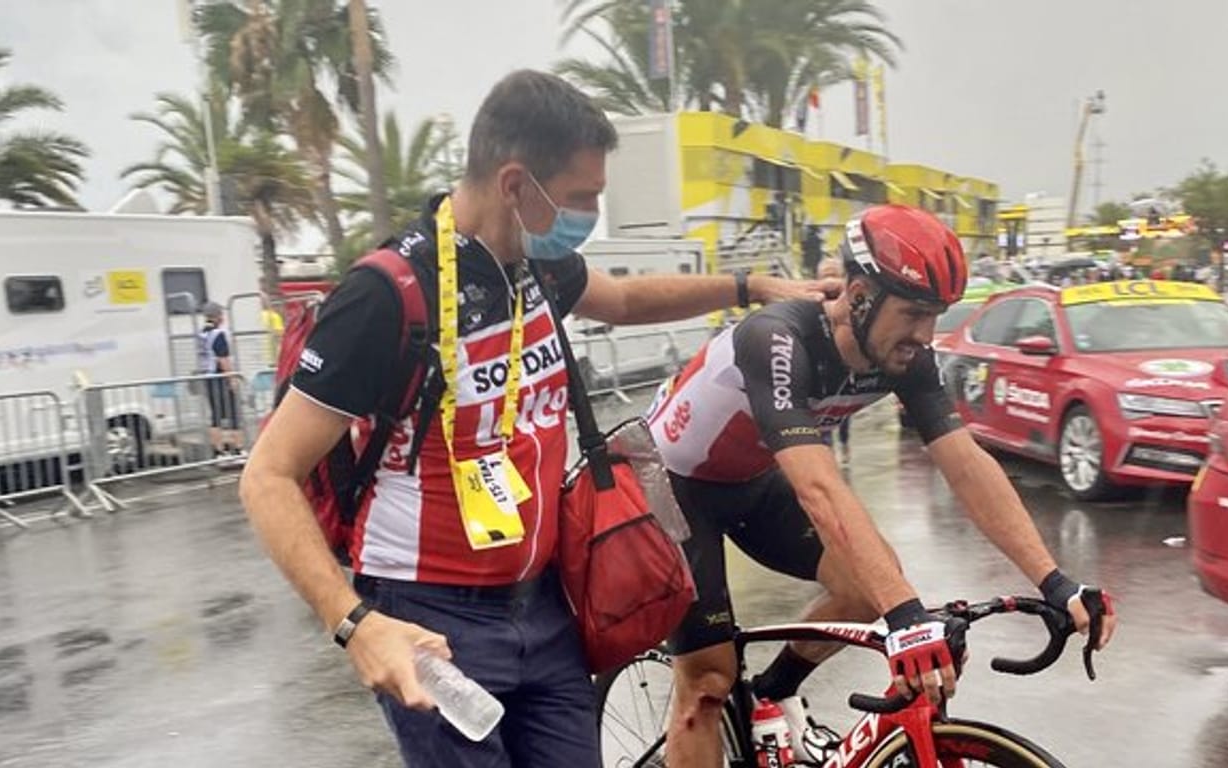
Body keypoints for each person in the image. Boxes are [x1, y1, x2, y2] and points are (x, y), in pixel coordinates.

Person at [237, 70, 834, 768]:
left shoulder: (535, 270)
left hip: (545, 605)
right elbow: (268, 476)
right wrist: (356, 626)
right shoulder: (388, 294)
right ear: (515, 185)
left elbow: (627, 300)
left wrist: (751, 286)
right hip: (432, 619)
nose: (589, 218)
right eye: (582, 199)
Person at [646, 204, 1118, 767]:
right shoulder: (777, 339)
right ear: (860, 294)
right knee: (707, 682)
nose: (925, 334)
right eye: (914, 312)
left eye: (935, 315)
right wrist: (907, 618)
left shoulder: (904, 356)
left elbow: (965, 462)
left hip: (750, 478)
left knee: (872, 582)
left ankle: (771, 692)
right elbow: (819, 487)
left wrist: (1056, 581)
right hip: (673, 489)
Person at [816, 256, 852, 463]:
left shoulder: (853, 303)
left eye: (834, 276)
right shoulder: (810, 303)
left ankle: (845, 444)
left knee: (843, 416)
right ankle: (827, 456)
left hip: (844, 369)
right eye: (825, 276)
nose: (829, 282)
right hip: (819, 372)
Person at [197, 301, 243, 457]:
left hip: (208, 377)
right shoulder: (219, 334)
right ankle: (237, 449)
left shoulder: (201, 334)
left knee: (215, 415)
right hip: (220, 377)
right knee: (234, 414)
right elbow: (223, 359)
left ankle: (218, 450)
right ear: (217, 316)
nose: (223, 317)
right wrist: (232, 379)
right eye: (221, 314)